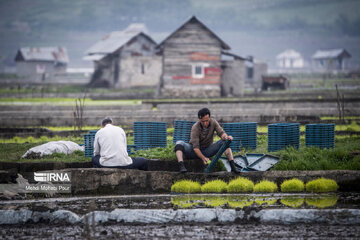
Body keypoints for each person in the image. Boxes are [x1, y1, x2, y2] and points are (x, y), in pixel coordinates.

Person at [174, 108, 240, 173]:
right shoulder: (195, 127)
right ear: (199, 119)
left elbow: (221, 133)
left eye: (207, 121)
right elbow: (196, 148)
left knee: (225, 142)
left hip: (207, 150)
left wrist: (226, 137)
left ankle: (233, 166)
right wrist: (203, 158)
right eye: (203, 121)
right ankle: (181, 166)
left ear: (209, 118)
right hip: (193, 151)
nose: (205, 123)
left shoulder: (213, 122)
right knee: (179, 143)